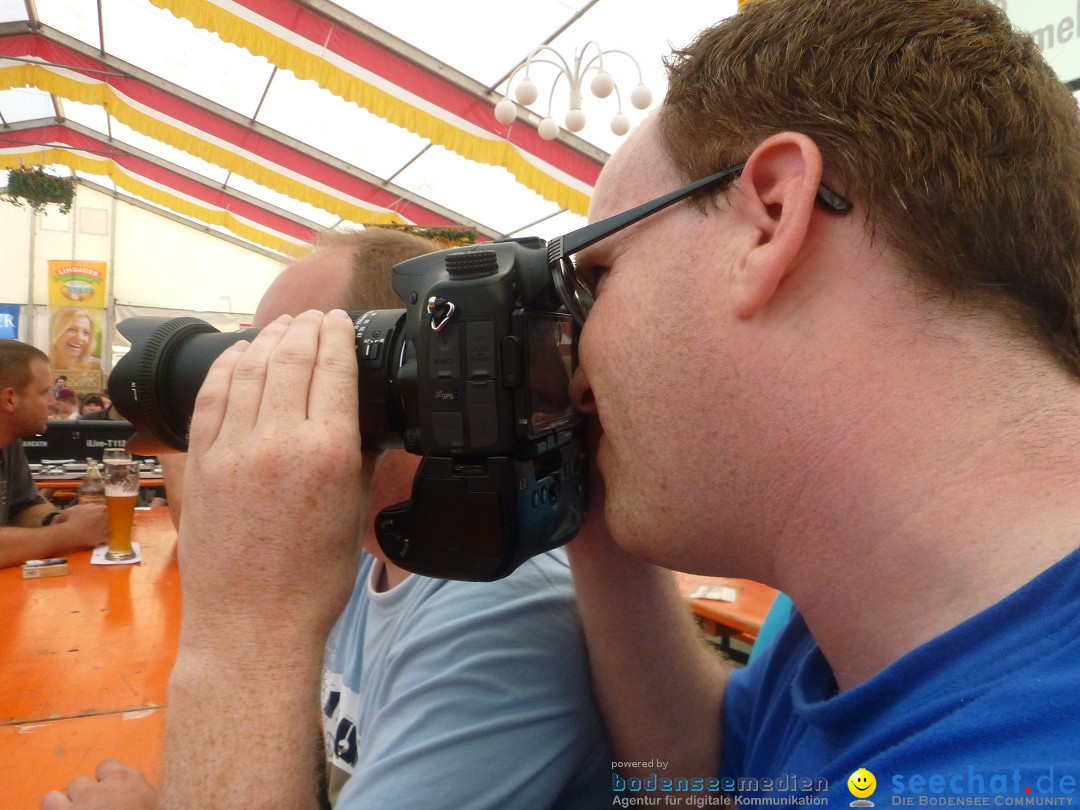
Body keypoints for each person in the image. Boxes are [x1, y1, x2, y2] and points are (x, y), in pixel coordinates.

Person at [561, 0, 1080, 802]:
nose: (576, 379)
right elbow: (712, 783)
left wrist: (287, 627)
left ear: (770, 216)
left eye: (598, 279)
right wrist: (596, 536)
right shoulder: (850, 612)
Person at [43, 227, 613, 808]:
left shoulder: (500, 608)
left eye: (285, 356)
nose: (242, 382)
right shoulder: (367, 554)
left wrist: (239, 634)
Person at [0, 339, 108, 569]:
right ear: (10, 399)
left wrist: (59, 518)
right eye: (45, 392)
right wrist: (70, 533)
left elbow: (23, 507)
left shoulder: (8, 443)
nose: (52, 402)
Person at [49, 307, 101, 371]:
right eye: (72, 330)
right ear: (55, 332)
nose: (80, 338)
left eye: (86, 333)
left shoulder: (98, 367)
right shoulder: (41, 366)